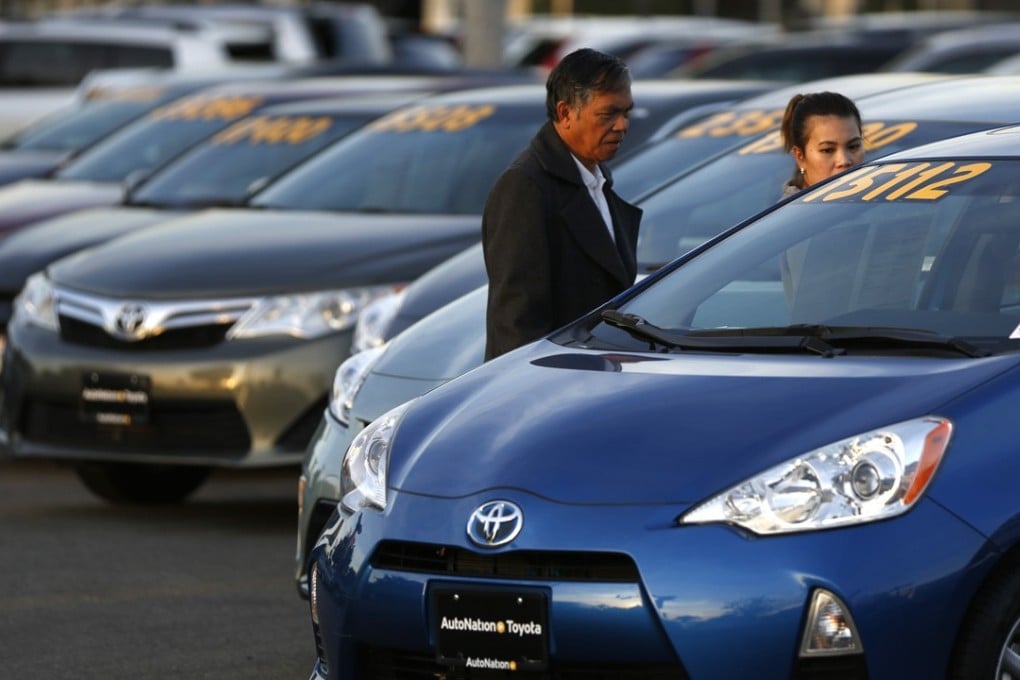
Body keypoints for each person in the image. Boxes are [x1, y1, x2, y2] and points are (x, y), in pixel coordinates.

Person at [482, 48, 641, 360]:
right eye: (608, 114)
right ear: (566, 113)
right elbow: (517, 323)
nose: (622, 125)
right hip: (553, 389)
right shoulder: (525, 187)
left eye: (627, 113)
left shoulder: (595, 178)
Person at [780, 91, 864, 197]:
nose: (844, 161)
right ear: (800, 156)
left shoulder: (880, 205)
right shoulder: (790, 212)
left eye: (853, 147)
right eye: (828, 150)